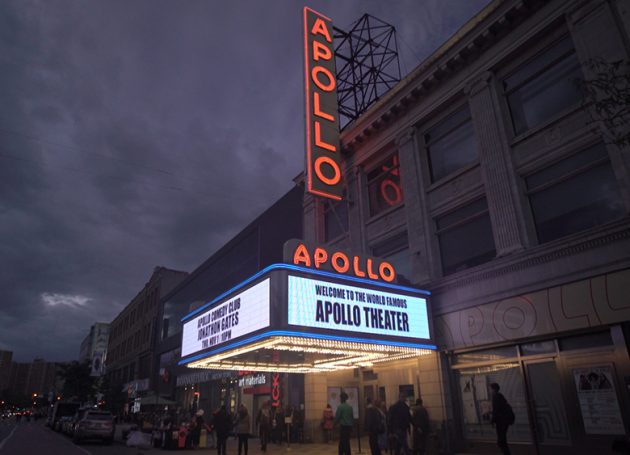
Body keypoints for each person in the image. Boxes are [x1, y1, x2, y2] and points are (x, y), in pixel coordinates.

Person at [490, 383, 513, 455]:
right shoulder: (500, 396)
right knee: (502, 440)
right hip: (504, 421)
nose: (490, 390)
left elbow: (496, 410)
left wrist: (492, 421)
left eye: (490, 389)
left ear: (493, 389)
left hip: (501, 422)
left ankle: (506, 454)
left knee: (501, 441)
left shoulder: (496, 397)